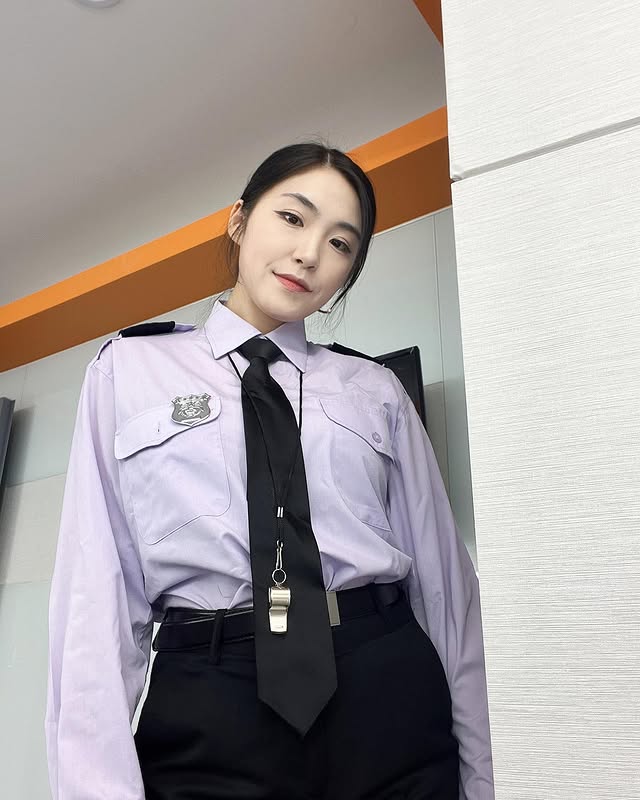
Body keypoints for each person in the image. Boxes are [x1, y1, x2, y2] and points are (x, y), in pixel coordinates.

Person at [45, 142, 494, 799]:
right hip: (211, 700)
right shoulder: (128, 371)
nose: (310, 253)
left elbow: (448, 592)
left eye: (340, 244)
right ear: (239, 220)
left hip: (386, 685)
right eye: (292, 218)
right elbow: (94, 603)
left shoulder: (374, 389)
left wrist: (485, 779)